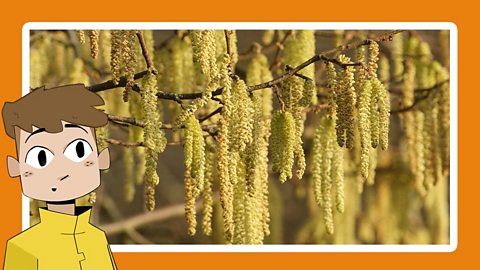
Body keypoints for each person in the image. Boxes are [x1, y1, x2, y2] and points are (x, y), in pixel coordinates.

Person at [2, 84, 117, 269]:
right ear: (15, 168)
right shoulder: (24, 247)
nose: (62, 170)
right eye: (41, 157)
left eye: (79, 150)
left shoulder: (96, 240)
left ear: (101, 159)